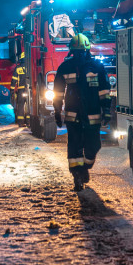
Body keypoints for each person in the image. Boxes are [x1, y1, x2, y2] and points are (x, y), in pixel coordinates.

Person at [53, 33, 110, 191]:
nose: (79, 55)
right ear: (72, 52)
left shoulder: (97, 67)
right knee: (74, 146)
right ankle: (77, 175)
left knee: (94, 146)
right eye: (76, 52)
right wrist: (57, 110)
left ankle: (85, 166)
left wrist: (106, 109)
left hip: (92, 114)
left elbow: (104, 90)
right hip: (73, 114)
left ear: (87, 51)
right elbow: (58, 92)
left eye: (82, 52)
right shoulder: (64, 67)